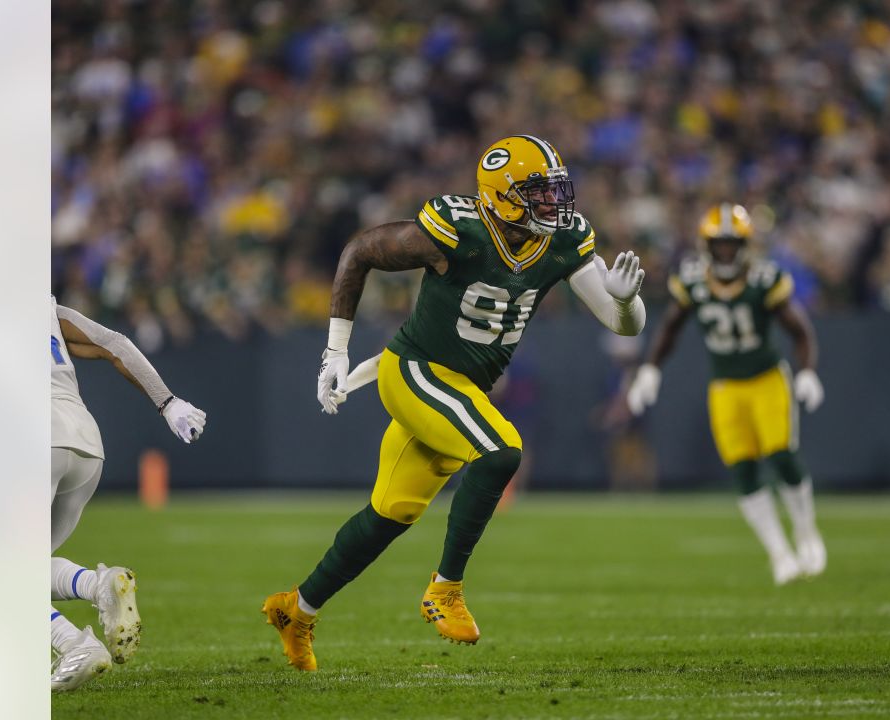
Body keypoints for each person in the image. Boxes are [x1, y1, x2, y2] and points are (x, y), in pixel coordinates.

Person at [261, 135, 647, 671]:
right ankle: (445, 588)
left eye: (555, 191)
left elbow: (620, 324)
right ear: (503, 196)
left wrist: (627, 302)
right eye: (538, 192)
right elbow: (359, 254)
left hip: (460, 389)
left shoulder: (563, 240)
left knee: (388, 515)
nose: (553, 204)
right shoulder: (459, 228)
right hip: (415, 370)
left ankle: (296, 610)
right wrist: (335, 351)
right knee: (501, 451)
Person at [625, 203, 826, 585]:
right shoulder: (693, 280)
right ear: (706, 246)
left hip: (767, 378)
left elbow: (799, 330)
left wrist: (808, 372)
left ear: (746, 245)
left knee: (781, 455)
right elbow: (670, 327)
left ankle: (805, 532)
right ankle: (779, 553)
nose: (727, 252)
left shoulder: (764, 279)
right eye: (720, 245)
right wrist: (650, 369)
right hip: (725, 386)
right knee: (743, 468)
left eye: (733, 244)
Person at [49, 296, 207, 691]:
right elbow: (114, 343)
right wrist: (168, 403)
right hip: (84, 443)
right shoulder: (44, 309)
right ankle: (95, 585)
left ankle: (73, 644)